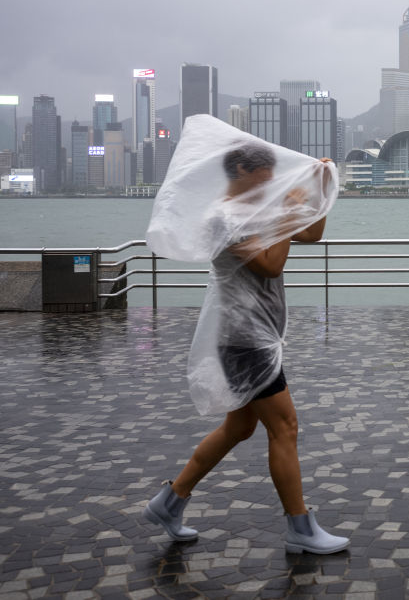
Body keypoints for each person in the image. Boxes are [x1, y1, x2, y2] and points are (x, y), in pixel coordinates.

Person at [145, 142, 348, 555]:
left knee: (238, 428)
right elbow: (271, 264)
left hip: (256, 335)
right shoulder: (225, 216)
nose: (272, 182)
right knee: (285, 428)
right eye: (266, 174)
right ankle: (300, 528)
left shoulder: (256, 210)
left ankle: (169, 503)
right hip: (245, 339)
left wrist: (319, 190)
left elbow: (309, 233)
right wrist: (289, 208)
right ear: (241, 169)